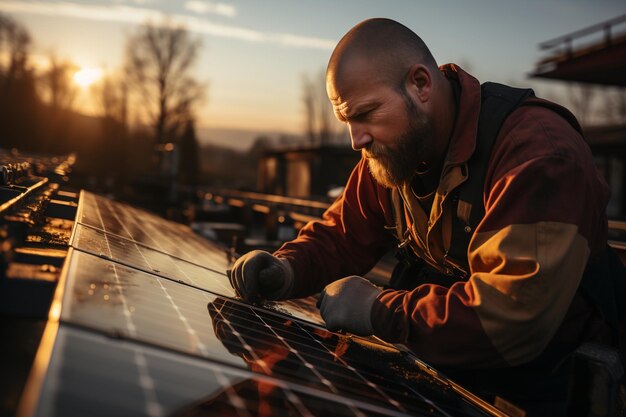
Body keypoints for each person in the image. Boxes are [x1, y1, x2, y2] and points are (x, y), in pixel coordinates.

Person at [230, 18, 622, 415]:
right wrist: (286, 269)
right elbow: (343, 234)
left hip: (544, 387)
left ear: (420, 85)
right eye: (348, 122)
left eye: (365, 113)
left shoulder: (536, 154)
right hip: (446, 368)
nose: (356, 140)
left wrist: (377, 309)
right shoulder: (394, 153)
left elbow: (513, 316)